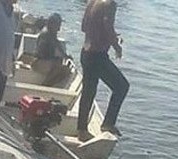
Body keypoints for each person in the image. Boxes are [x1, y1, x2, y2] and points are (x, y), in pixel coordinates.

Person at [77, 0, 129, 141]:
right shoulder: (110, 4)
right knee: (122, 86)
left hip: (86, 53)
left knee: (88, 91)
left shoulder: (92, 2)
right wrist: (116, 45)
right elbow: (107, 26)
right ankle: (108, 123)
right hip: (97, 55)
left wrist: (110, 36)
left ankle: (81, 130)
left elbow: (84, 27)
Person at [32, 13, 72, 87]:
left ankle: (50, 84)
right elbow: (42, 53)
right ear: (52, 23)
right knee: (59, 66)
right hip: (38, 62)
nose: (59, 28)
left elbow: (58, 45)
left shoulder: (52, 33)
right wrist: (55, 58)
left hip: (44, 61)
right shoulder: (46, 34)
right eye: (58, 24)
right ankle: (45, 85)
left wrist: (65, 56)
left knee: (65, 69)